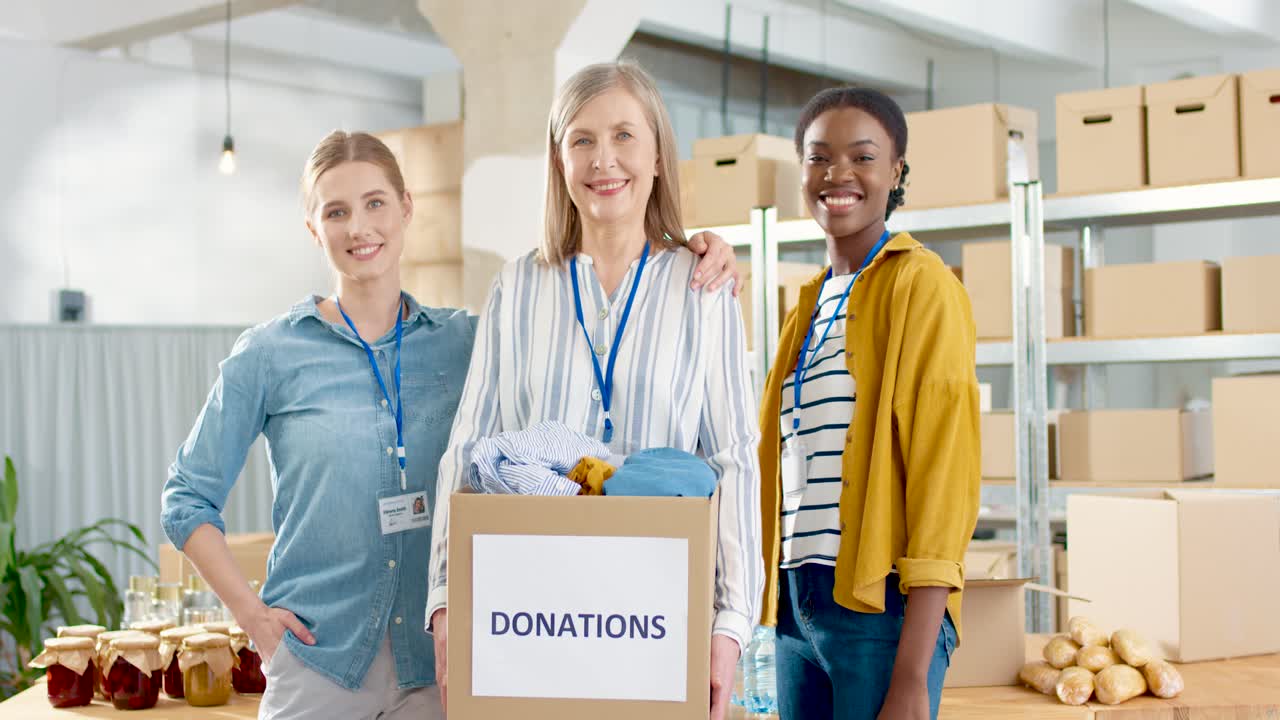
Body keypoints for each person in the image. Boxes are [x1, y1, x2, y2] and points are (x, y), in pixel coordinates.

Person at [160, 129, 741, 720]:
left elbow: (567, 342)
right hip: (319, 663)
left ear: (407, 208)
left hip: (440, 672)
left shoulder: (466, 341)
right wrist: (253, 617)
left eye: (375, 203)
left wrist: (688, 251)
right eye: (336, 212)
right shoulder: (270, 354)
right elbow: (186, 500)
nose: (360, 227)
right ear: (314, 228)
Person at [426, 61, 763, 720]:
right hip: (530, 617)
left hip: (660, 618)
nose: (602, 159)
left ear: (658, 155)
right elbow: (467, 449)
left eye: (623, 136)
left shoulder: (703, 289)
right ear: (559, 161)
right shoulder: (517, 288)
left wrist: (729, 626)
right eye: (581, 139)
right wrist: (445, 597)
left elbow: (734, 462)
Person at [756, 87, 981, 720]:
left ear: (896, 171)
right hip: (796, 610)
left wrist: (911, 673)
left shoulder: (923, 286)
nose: (838, 175)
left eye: (862, 156)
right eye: (818, 157)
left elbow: (945, 476)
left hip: (880, 615)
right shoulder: (806, 305)